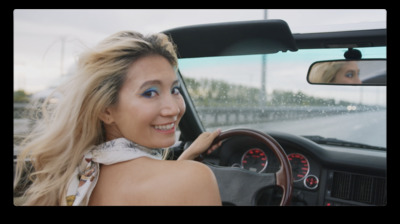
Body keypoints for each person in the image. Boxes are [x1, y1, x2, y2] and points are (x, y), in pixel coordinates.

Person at [14, 31, 222, 206]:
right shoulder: (193, 179)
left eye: (175, 90)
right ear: (106, 110)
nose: (173, 109)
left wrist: (187, 157)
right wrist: (188, 169)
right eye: (150, 93)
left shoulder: (74, 179)